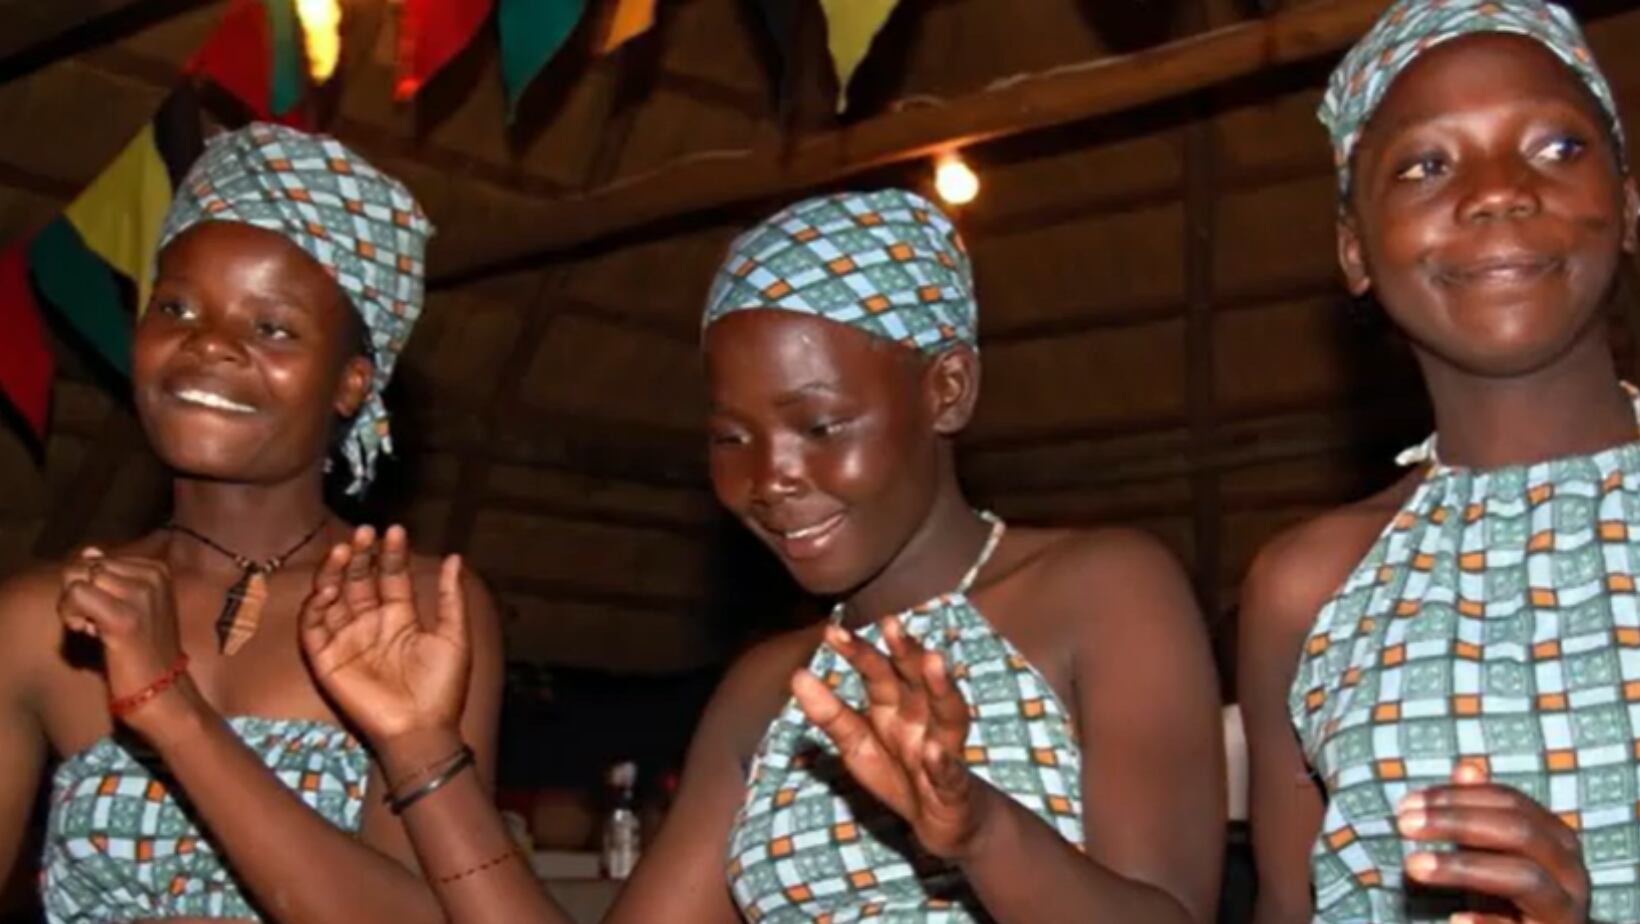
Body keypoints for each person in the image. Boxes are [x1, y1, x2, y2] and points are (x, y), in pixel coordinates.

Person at [302, 188, 1226, 923]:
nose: (770, 479)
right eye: (732, 439)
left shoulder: (1101, 590)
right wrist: (423, 747)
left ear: (946, 390)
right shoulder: (769, 689)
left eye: (819, 425)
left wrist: (980, 830)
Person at [0, 122, 504, 923]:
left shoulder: (409, 610)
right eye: (176, 307)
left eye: (271, 328)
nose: (208, 346)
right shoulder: (39, 619)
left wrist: (174, 706)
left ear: (349, 384)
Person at [1237, 2, 1640, 922]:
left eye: (1555, 148)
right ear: (1355, 251)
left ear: (1628, 206)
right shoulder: (1311, 588)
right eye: (1426, 165)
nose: (1498, 190)